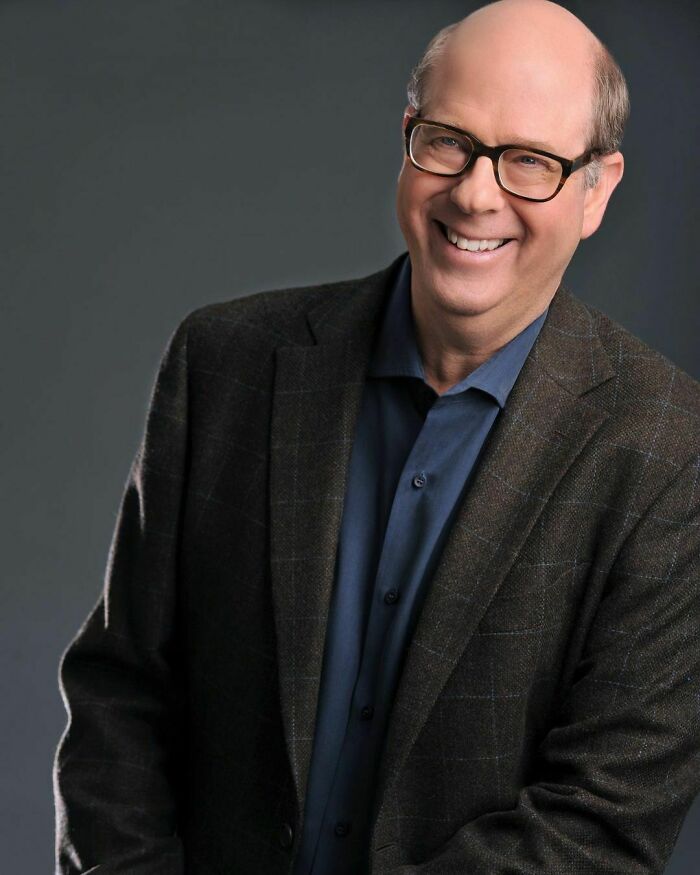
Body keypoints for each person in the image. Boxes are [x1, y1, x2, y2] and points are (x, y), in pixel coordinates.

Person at [53, 0, 700, 873]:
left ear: (598, 190)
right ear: (407, 137)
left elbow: (599, 825)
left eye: (530, 162)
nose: (476, 192)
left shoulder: (670, 455)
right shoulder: (224, 365)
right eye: (449, 141)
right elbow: (118, 697)